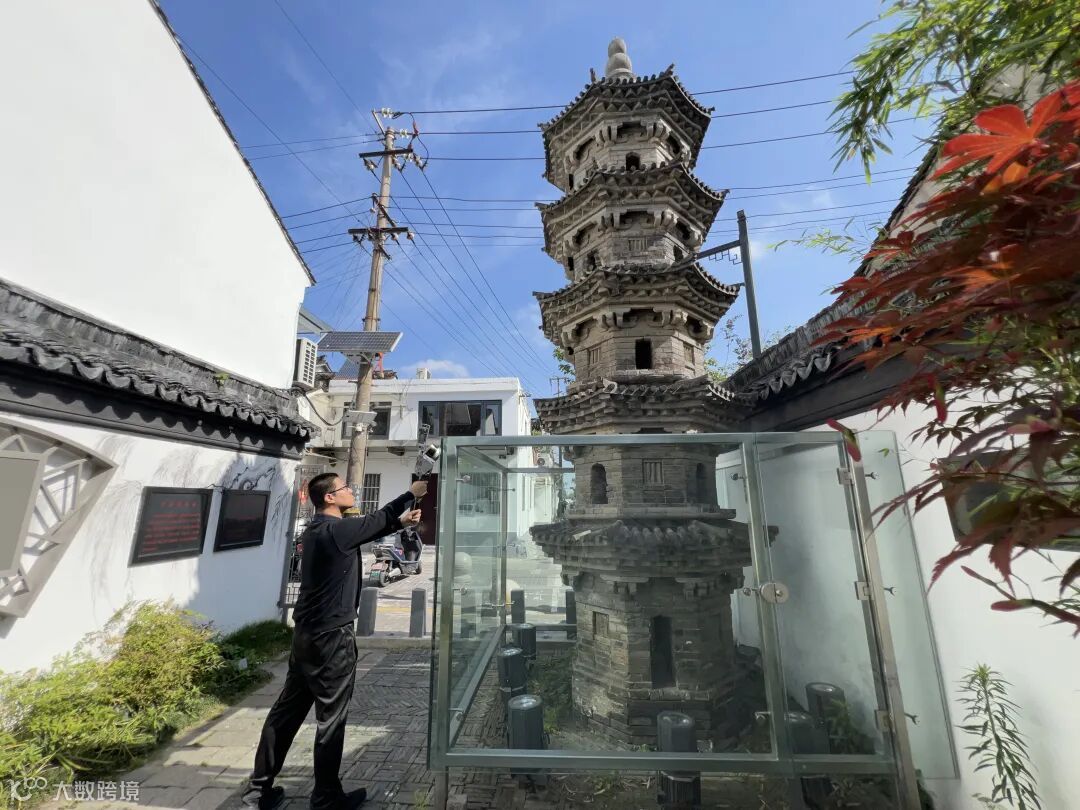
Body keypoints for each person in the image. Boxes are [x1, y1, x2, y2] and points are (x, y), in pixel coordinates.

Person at [242, 473, 426, 810]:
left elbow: (370, 528)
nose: (350, 491)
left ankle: (258, 791)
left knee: (285, 714)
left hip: (305, 635)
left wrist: (399, 522)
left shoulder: (318, 530)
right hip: (332, 640)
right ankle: (326, 797)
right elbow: (377, 519)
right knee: (331, 719)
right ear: (329, 497)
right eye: (344, 488)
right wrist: (409, 493)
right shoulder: (337, 530)